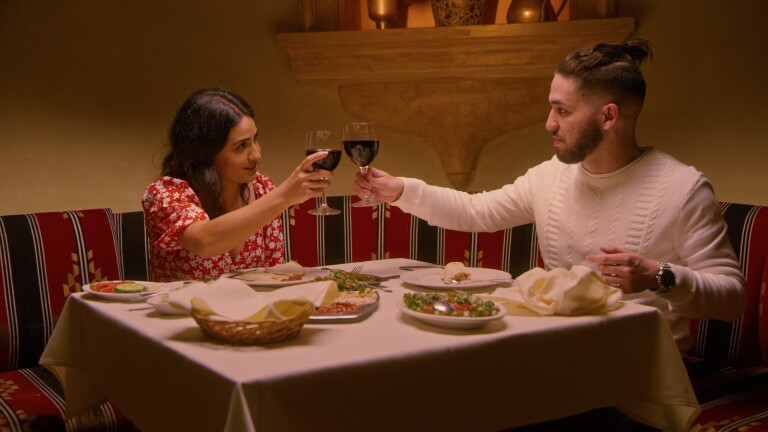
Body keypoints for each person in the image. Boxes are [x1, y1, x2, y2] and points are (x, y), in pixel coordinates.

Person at [353, 39, 746, 353]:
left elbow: (732, 299)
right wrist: (401, 190)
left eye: (562, 110)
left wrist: (658, 276)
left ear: (608, 117)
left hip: (642, 366)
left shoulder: (682, 188)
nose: (549, 123)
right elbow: (476, 212)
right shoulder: (551, 176)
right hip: (557, 353)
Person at [143, 87, 332, 282]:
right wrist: (284, 196)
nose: (256, 154)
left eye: (255, 140)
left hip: (253, 311)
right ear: (206, 153)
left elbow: (275, 273)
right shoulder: (165, 193)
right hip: (183, 310)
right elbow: (204, 242)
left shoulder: (261, 187)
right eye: (241, 146)